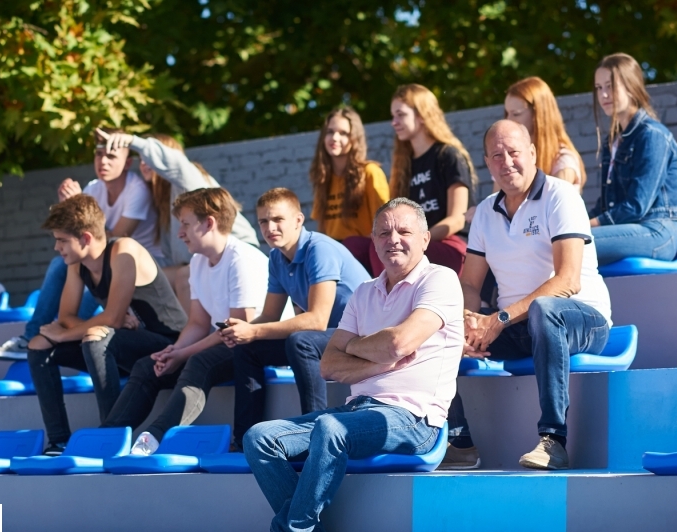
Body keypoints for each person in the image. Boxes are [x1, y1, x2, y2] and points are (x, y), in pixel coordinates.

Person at [243, 198, 463, 532]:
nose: (393, 239)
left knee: (331, 428)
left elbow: (399, 343)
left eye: (404, 231)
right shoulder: (364, 292)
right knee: (259, 437)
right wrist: (382, 363)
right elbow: (329, 365)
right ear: (373, 241)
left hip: (415, 420)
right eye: (384, 232)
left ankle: (291, 529)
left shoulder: (439, 279)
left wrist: (357, 348)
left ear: (424, 239)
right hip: (357, 410)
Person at [443, 120, 611, 471]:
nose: (507, 162)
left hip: (582, 319)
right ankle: (459, 441)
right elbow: (470, 284)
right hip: (520, 324)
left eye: (514, 152)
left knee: (544, 309)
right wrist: (465, 323)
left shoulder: (560, 195)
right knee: (436, 329)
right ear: (487, 164)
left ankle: (554, 441)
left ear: (533, 154)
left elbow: (568, 280)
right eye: (497, 155)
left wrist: (498, 318)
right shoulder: (487, 211)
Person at [102, 187, 288, 454]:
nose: (180, 233)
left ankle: (155, 437)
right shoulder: (198, 262)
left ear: (209, 223)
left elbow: (236, 330)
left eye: (186, 224)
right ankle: (107, 437)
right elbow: (198, 324)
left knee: (199, 361)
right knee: (148, 365)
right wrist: (174, 351)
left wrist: (184, 354)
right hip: (229, 342)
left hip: (256, 346)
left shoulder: (240, 259)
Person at [27, 195, 187, 455]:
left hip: (169, 345)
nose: (57, 247)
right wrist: (77, 329)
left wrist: (74, 331)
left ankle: (112, 436)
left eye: (62, 240)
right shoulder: (77, 265)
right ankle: (58, 441)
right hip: (124, 347)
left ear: (86, 238)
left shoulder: (124, 250)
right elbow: (67, 316)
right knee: (38, 346)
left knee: (95, 337)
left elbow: (110, 318)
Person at [0, 128, 163, 360]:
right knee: (59, 264)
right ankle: (32, 336)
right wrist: (70, 208)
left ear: (128, 162)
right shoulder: (93, 188)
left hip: (138, 267)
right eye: (99, 155)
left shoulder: (137, 190)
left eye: (111, 156)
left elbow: (114, 241)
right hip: (102, 264)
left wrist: (79, 203)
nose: (103, 162)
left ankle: (67, 339)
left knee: (90, 278)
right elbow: (76, 239)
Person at [221, 187, 369, 449]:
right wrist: (242, 331)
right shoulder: (276, 257)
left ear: (299, 220)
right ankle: (242, 439)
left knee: (301, 341)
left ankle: (314, 430)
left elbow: (316, 321)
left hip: (364, 335)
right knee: (249, 349)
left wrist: (254, 331)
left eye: (278, 219)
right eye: (264, 221)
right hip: (332, 337)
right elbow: (269, 316)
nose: (270, 227)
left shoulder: (319, 249)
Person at [97, 129, 261, 315]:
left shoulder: (187, 181)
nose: (143, 163)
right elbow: (173, 257)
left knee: (185, 277)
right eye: (141, 159)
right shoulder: (164, 202)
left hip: (235, 252)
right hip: (201, 261)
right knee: (134, 279)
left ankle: (184, 335)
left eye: (148, 157)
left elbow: (175, 162)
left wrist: (133, 141)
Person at [588, 53, 677, 265]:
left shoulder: (652, 135)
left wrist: (588, 225)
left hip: (657, 232)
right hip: (628, 230)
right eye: (599, 88)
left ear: (631, 87)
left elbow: (636, 206)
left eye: (610, 86)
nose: (604, 95)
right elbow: (605, 205)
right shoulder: (611, 142)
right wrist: (573, 223)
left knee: (570, 245)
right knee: (561, 240)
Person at [388, 84, 477, 276]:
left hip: (453, 245)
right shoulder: (404, 167)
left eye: (400, 115)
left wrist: (418, 240)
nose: (394, 122)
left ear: (421, 115)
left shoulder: (448, 155)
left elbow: (457, 219)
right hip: (415, 246)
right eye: (393, 116)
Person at [308, 107, 390, 274]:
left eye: (343, 133)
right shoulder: (323, 178)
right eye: (330, 132)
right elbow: (323, 230)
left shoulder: (370, 172)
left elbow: (386, 223)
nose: (335, 138)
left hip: (364, 249)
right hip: (335, 252)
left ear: (355, 138)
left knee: (350, 244)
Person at [504, 76, 586, 192]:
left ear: (538, 115)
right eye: (507, 113)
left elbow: (552, 205)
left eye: (516, 114)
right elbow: (496, 205)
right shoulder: (510, 158)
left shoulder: (563, 161)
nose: (508, 120)